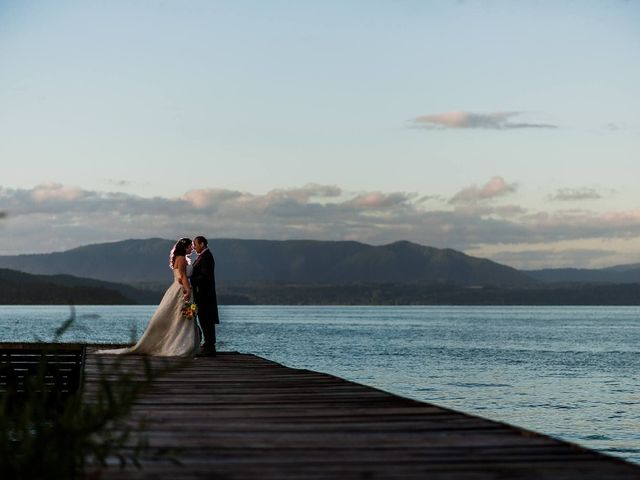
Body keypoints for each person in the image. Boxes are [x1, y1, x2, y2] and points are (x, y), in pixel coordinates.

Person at [96, 237, 201, 357]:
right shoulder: (182, 259)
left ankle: (175, 342)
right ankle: (181, 344)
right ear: (184, 248)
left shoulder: (178, 258)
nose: (191, 248)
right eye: (189, 246)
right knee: (183, 316)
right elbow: (182, 276)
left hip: (176, 288)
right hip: (182, 289)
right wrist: (188, 290)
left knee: (179, 316)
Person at [191, 235, 219, 356]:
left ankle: (210, 346)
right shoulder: (202, 256)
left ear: (202, 244)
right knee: (203, 319)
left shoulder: (206, 257)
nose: (194, 247)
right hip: (201, 295)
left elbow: (205, 276)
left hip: (205, 296)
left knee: (206, 320)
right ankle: (207, 345)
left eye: (195, 245)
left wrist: (192, 281)